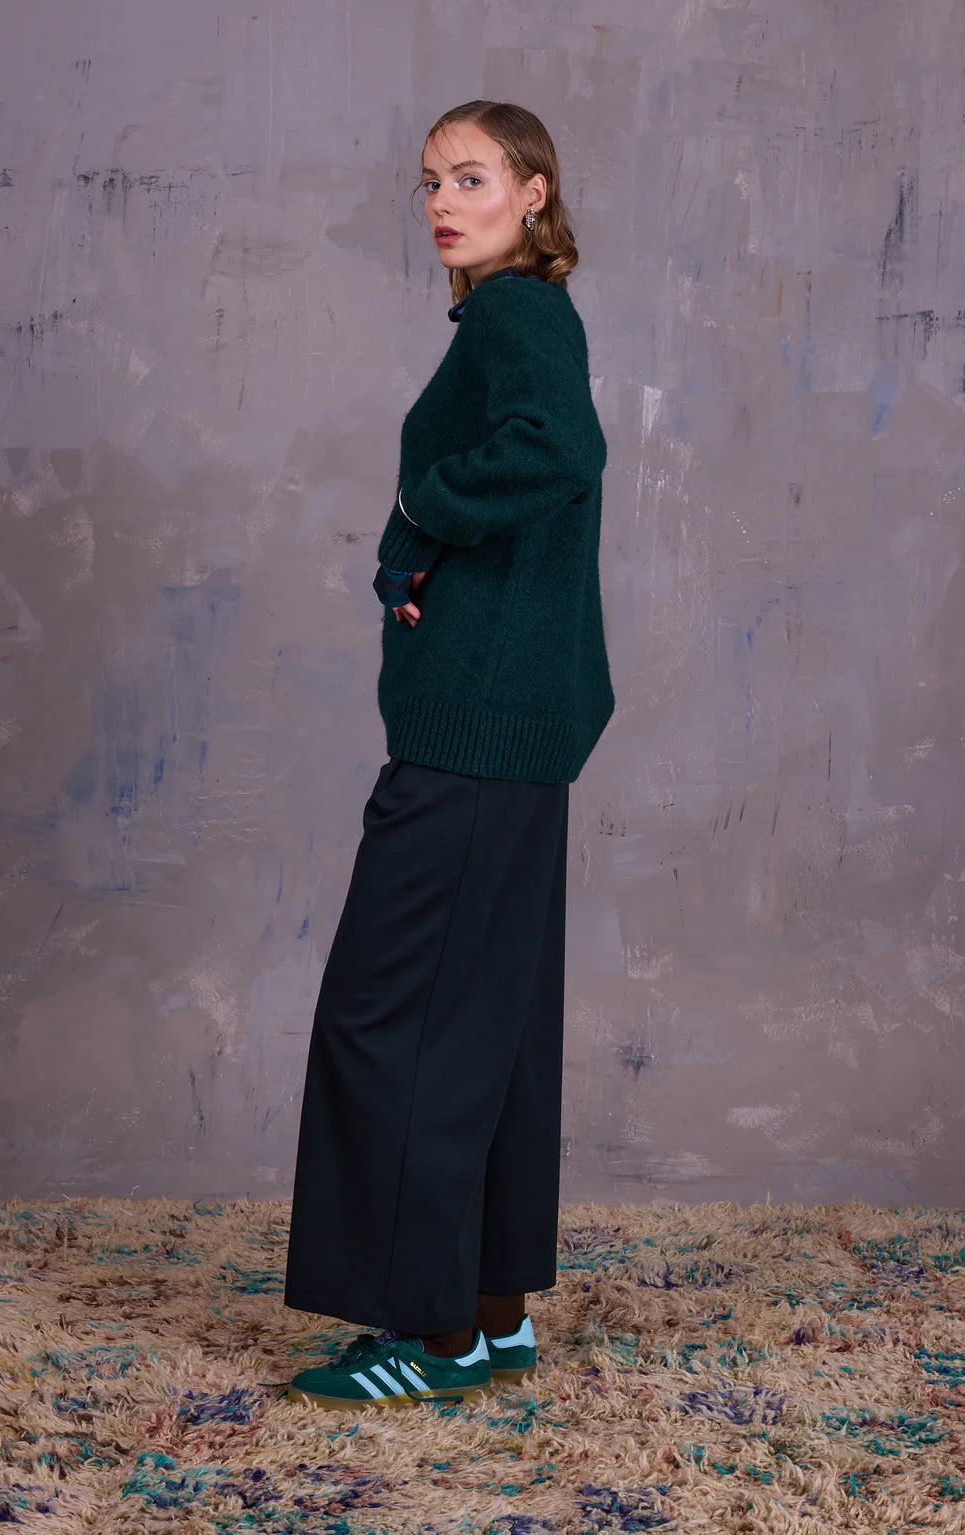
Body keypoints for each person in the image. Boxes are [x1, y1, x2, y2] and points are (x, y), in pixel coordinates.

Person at [283, 99, 614, 1410]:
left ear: (534, 193)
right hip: (506, 724)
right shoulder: (513, 318)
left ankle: (428, 1333)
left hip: (477, 728)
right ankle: (489, 1314)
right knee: (490, 1024)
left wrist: (422, 505)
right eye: (429, 181)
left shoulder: (517, 313)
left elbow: (559, 450)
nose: (441, 202)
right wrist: (411, 547)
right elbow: (528, 466)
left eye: (471, 178)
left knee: (393, 1017)